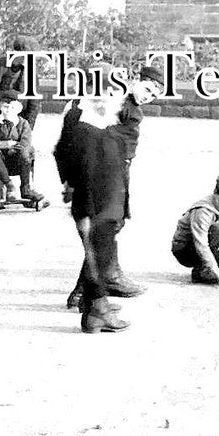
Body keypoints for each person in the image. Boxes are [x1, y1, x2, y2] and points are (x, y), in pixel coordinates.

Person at [63, 63, 158, 308]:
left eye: (154, 95)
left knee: (113, 224)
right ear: (137, 79)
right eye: (148, 88)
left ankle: (99, 285)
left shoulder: (131, 106)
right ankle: (85, 293)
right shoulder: (116, 100)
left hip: (118, 168)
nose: (149, 96)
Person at [53, 83, 130, 333]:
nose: (117, 101)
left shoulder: (104, 125)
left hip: (107, 201)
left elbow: (59, 153)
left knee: (100, 254)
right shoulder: (86, 129)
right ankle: (97, 311)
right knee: (99, 256)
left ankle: (91, 303)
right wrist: (82, 203)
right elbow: (76, 167)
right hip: (96, 205)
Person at [171, 172, 219, 286]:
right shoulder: (203, 211)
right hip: (187, 250)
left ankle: (206, 270)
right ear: (216, 194)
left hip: (210, 244)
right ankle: (201, 271)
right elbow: (200, 243)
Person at [0, 88, 42, 207]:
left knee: (27, 151)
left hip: (18, 161)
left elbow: (25, 143)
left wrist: (2, 144)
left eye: (12, 107)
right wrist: (7, 144)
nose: (8, 110)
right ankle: (9, 186)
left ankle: (26, 189)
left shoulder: (23, 124)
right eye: (5, 107)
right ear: (0, 107)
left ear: (19, 109)